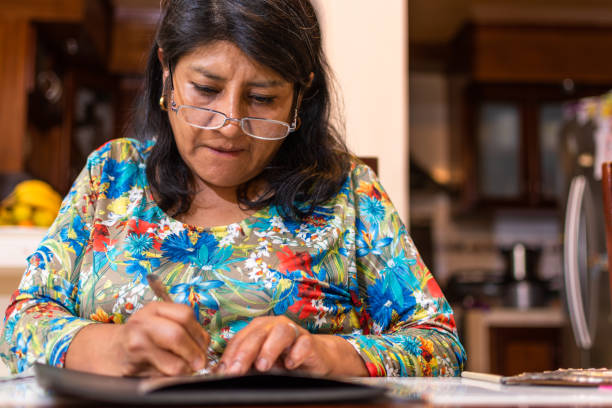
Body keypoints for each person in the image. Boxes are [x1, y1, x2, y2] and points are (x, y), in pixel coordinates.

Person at [0, 0, 466, 377]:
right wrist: (114, 348)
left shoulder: (349, 192)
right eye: (205, 89)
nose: (229, 125)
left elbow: (441, 344)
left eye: (262, 98)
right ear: (167, 71)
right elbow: (20, 326)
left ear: (300, 95)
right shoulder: (112, 175)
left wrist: (332, 354)